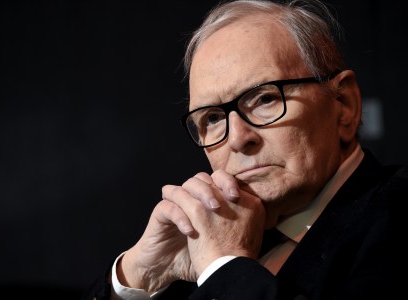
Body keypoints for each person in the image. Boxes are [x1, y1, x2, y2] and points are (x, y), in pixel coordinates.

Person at [82, 0, 406, 299]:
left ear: (344, 105)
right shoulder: (203, 245)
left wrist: (225, 268)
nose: (238, 138)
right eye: (212, 117)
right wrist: (138, 275)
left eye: (265, 98)